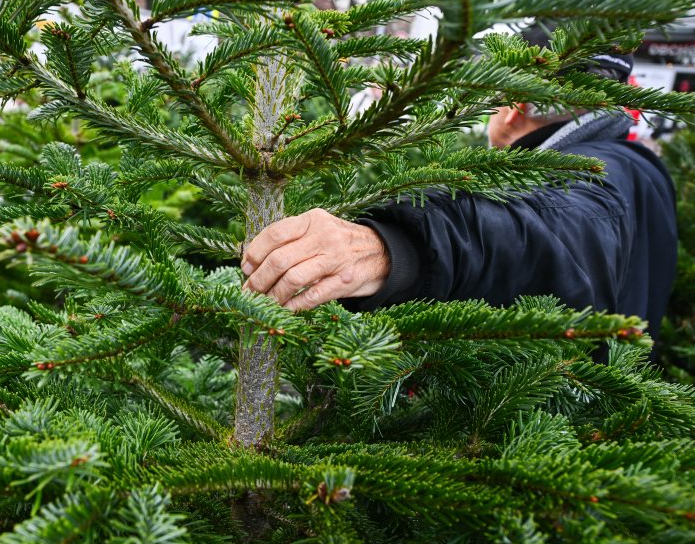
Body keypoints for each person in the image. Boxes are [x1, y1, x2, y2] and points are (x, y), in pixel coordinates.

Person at [241, 37, 677, 340]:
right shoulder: (633, 163)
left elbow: (556, 228)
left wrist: (392, 245)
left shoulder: (605, 171)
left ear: (513, 106)